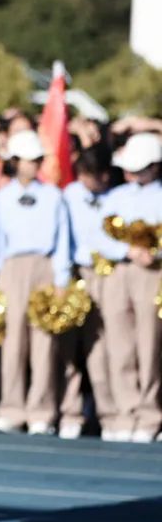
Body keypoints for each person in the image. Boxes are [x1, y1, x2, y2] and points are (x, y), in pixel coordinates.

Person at [0, 130, 71, 436]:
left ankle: (42, 411)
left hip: (44, 265)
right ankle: (11, 407)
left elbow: (63, 238)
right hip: (11, 267)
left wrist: (61, 277)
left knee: (44, 343)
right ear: (14, 161)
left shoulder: (53, 195)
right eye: (28, 159)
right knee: (12, 343)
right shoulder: (1, 197)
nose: (34, 165)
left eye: (37, 159)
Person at [96, 132, 162, 443]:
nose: (132, 174)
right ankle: (126, 412)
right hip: (119, 272)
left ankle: (150, 415)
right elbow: (99, 236)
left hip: (153, 273)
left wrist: (154, 253)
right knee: (119, 344)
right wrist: (126, 252)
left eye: (140, 168)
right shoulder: (116, 197)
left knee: (149, 345)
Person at [60, 145, 117, 440]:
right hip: (73, 273)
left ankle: (109, 414)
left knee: (104, 347)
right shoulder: (68, 195)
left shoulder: (115, 196)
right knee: (69, 348)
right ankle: (70, 412)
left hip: (107, 274)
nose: (101, 180)